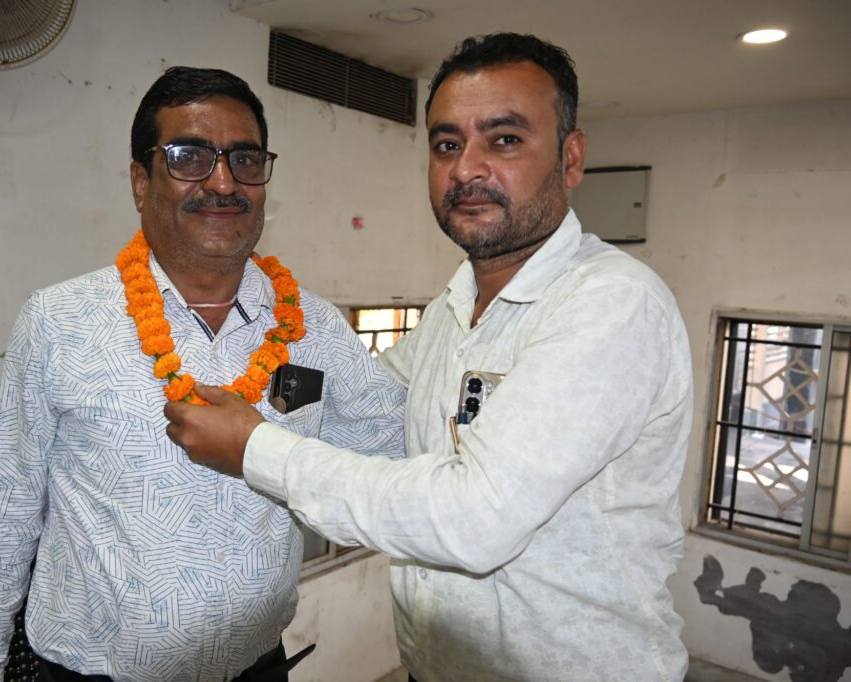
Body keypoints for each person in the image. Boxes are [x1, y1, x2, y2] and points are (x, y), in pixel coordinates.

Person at [165, 33, 694, 682]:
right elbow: (370, 402)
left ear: (571, 157)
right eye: (447, 145)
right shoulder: (455, 307)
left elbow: (474, 518)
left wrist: (253, 448)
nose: (467, 169)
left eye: (504, 139)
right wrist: (248, 359)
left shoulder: (611, 304)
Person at [0, 66, 405, 682]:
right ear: (141, 182)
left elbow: (395, 458)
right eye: (189, 157)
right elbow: (6, 515)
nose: (223, 182)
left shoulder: (315, 328)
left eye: (244, 159)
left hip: (258, 668)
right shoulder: (58, 321)